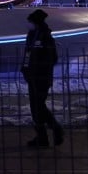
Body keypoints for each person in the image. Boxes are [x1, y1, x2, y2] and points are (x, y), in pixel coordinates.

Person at [21, 9, 64, 148]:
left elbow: (52, 57)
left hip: (42, 77)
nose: (29, 24)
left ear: (36, 22)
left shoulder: (45, 37)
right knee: (35, 107)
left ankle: (55, 129)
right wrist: (25, 67)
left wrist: (40, 68)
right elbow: (28, 53)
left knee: (39, 106)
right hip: (32, 76)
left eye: (31, 22)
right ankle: (43, 137)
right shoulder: (32, 35)